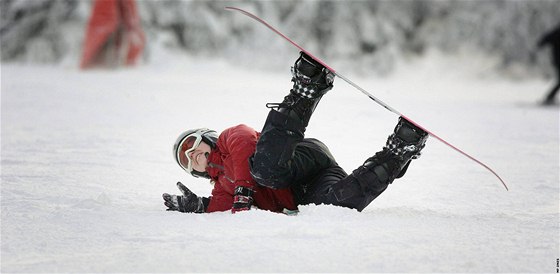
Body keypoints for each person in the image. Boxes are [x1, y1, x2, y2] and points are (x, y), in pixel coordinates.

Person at [163, 52, 428, 214]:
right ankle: (398, 152)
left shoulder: (228, 139)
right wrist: (198, 206)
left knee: (265, 170)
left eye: (191, 144)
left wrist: (244, 187)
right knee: (336, 206)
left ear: (206, 136)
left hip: (300, 159)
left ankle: (305, 89)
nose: (191, 154)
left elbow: (246, 141)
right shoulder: (223, 186)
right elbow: (219, 206)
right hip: (311, 186)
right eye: (186, 160)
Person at [538, 24, 560, 105]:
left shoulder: (555, 32)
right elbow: (543, 41)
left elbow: (543, 41)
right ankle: (549, 98)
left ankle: (549, 97)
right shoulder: (557, 33)